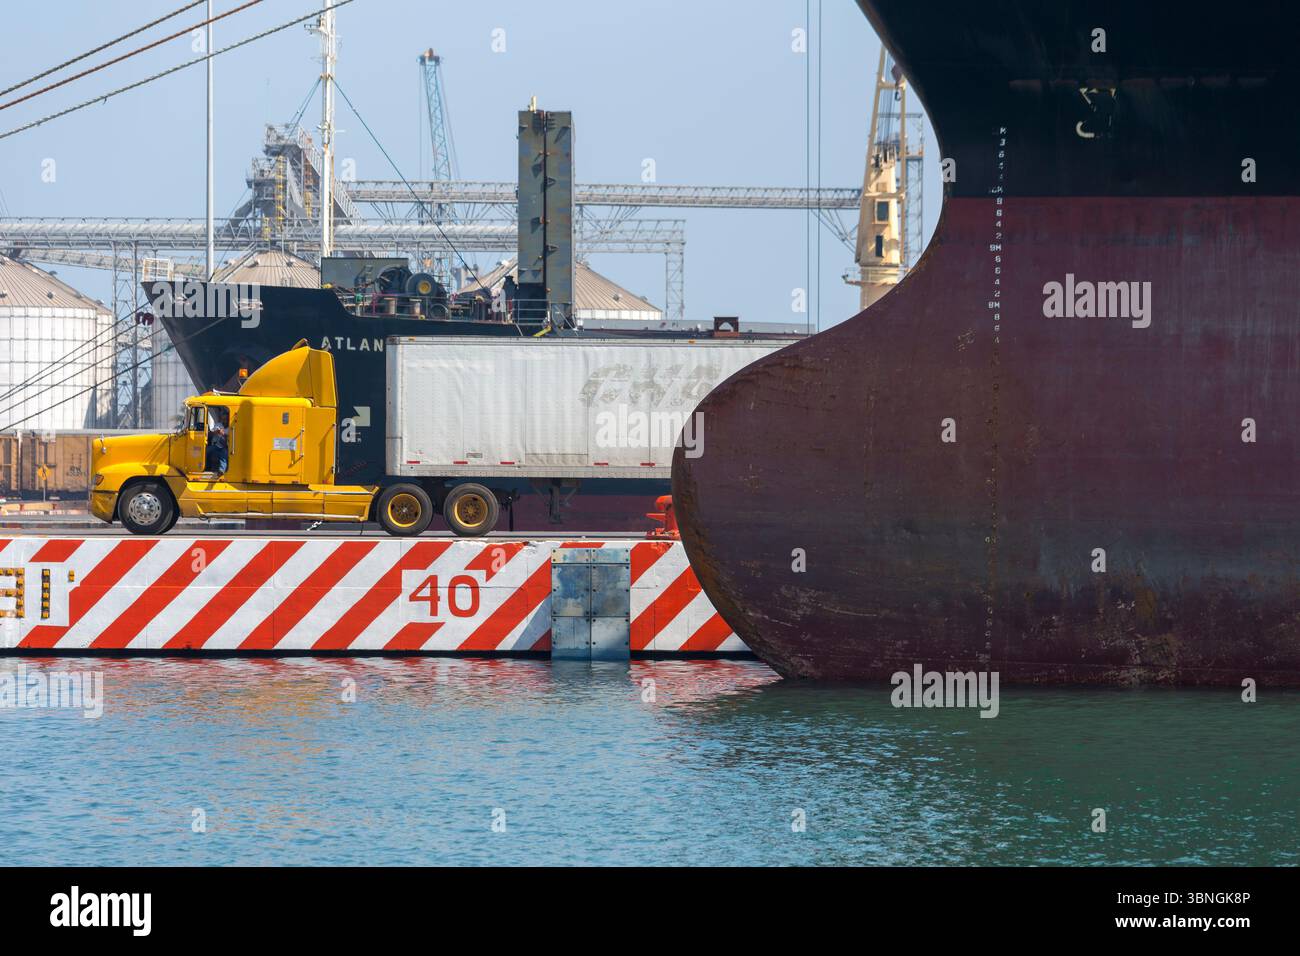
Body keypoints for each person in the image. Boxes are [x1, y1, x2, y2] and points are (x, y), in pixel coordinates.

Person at [205, 407, 229, 476]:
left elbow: (229, 439)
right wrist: (217, 432)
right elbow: (212, 432)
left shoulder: (230, 428)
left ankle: (221, 470)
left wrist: (224, 434)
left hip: (225, 447)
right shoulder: (218, 425)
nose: (224, 421)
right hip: (216, 446)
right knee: (207, 451)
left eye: (225, 419)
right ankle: (206, 467)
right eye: (223, 419)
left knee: (224, 455)